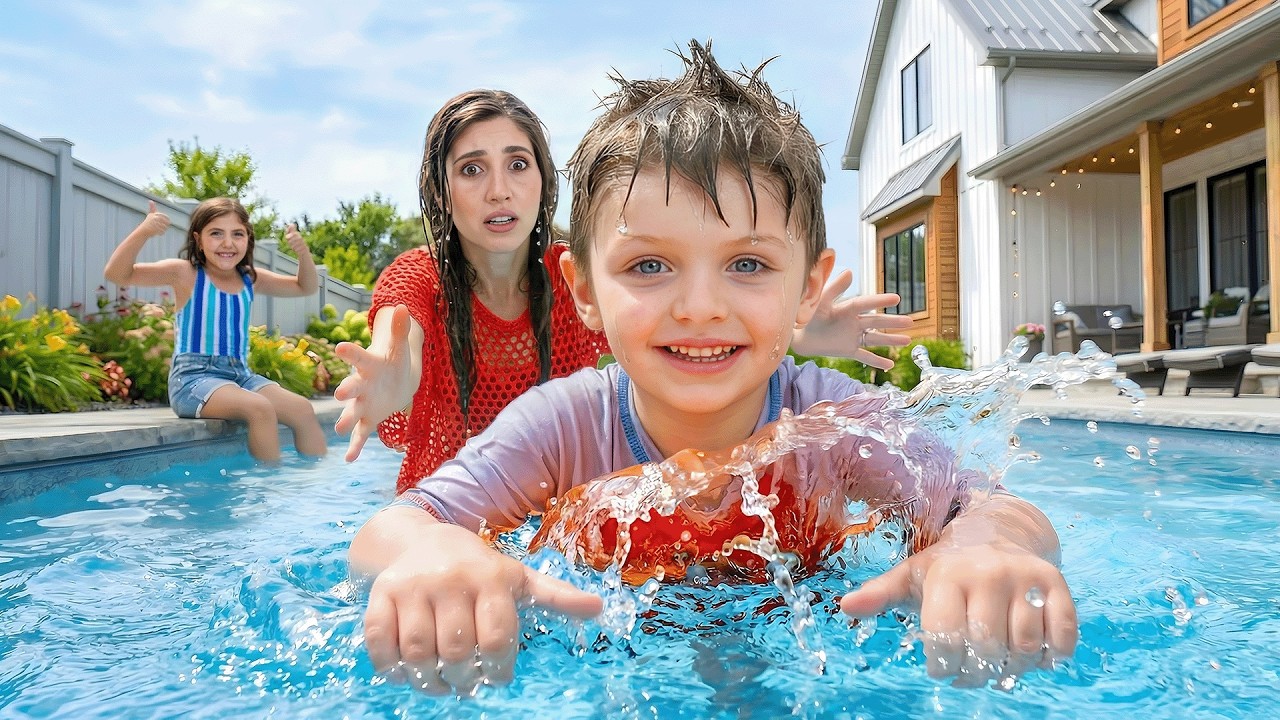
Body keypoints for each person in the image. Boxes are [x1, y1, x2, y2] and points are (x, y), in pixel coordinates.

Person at [348, 41, 1077, 693]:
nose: (700, 307)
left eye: (749, 264)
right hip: (610, 659)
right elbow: (397, 526)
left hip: (806, 652)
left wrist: (982, 547)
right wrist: (437, 556)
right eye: (650, 265)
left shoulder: (832, 421)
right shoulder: (564, 424)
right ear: (584, 291)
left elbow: (992, 507)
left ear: (805, 288)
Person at [332, 89, 912, 493]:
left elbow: (657, 325)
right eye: (472, 169)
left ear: (543, 181)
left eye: (517, 164)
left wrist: (798, 327)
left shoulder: (578, 275)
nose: (499, 191)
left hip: (561, 514)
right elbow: (398, 351)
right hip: (457, 511)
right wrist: (392, 382)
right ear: (440, 191)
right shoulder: (421, 276)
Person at [104, 198, 327, 462]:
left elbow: (306, 287)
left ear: (248, 238)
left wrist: (303, 254)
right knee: (260, 409)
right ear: (198, 239)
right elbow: (117, 274)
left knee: (302, 409)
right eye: (216, 233)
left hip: (239, 376)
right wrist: (144, 231)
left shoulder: (249, 279)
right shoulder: (185, 273)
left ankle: (318, 485)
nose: (227, 243)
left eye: (237, 234)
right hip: (193, 380)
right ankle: (269, 489)